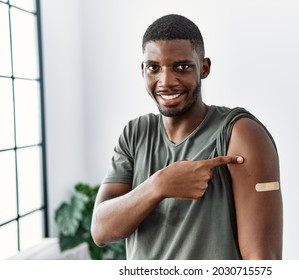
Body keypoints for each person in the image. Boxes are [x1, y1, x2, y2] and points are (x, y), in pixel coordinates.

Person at [91, 14, 283, 260]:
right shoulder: (135, 134)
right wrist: (159, 185)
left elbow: (263, 262)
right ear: (142, 70)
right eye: (154, 68)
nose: (166, 81)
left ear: (204, 67)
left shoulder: (240, 134)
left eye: (182, 67)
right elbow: (101, 230)